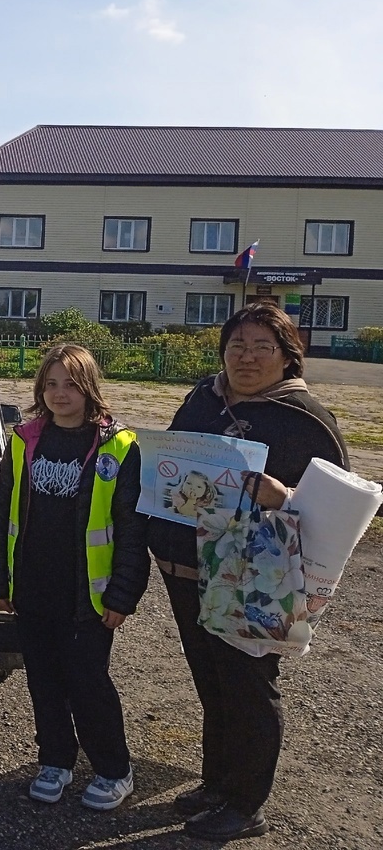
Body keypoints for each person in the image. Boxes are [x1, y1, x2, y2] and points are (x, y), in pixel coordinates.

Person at [149, 302, 348, 842]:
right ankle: (217, 784)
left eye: (263, 347)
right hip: (187, 569)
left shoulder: (305, 419)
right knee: (211, 683)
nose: (247, 357)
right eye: (237, 345)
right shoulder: (201, 399)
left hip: (255, 580)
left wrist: (283, 496)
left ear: (288, 357)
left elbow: (340, 510)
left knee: (249, 688)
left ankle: (245, 803)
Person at [0, 343, 149, 810]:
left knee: (88, 683)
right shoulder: (26, 439)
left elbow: (133, 528)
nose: (60, 393)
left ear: (89, 388)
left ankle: (114, 769)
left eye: (71, 384)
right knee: (43, 680)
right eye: (51, 383)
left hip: (88, 598)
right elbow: (3, 512)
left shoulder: (119, 446)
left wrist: (123, 594)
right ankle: (55, 760)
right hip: (33, 590)